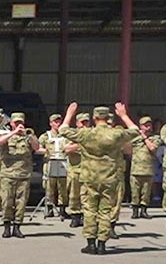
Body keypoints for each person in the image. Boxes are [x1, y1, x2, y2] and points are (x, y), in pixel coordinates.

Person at [58, 102, 141, 254]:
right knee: (105, 211)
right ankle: (102, 244)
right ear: (108, 117)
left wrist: (69, 114)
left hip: (89, 178)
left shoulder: (86, 133)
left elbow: (63, 130)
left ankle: (90, 243)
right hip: (109, 178)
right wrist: (123, 115)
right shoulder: (115, 133)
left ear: (94, 117)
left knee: (89, 210)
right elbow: (136, 131)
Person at [0, 112, 41, 239]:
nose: (19, 125)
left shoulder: (28, 135)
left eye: (21, 123)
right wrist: (12, 133)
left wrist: (30, 137)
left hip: (23, 175)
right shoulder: (6, 135)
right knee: (6, 202)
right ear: (11, 123)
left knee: (21, 203)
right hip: (8, 174)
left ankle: (17, 227)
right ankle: (7, 226)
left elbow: (37, 147)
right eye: (16, 123)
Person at [128, 116, 161, 218]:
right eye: (145, 125)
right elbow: (127, 150)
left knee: (146, 192)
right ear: (140, 126)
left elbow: (153, 148)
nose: (147, 127)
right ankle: (135, 211)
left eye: (149, 125)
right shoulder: (134, 138)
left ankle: (144, 210)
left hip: (148, 169)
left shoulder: (155, 138)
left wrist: (144, 137)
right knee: (134, 192)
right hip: (135, 169)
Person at [38, 114, 70, 219]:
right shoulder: (45, 136)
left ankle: (62, 209)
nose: (58, 124)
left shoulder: (65, 135)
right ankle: (50, 208)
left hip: (63, 162)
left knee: (63, 186)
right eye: (55, 122)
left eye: (59, 122)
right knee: (49, 186)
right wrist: (47, 152)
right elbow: (37, 148)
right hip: (50, 163)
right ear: (51, 123)